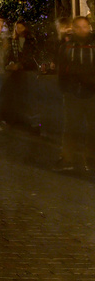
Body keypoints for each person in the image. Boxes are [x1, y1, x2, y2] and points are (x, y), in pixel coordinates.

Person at [58, 15, 95, 170]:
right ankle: (68, 159)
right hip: (73, 92)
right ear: (73, 28)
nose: (82, 29)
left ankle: (91, 159)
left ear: (89, 28)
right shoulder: (66, 47)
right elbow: (62, 69)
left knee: (93, 128)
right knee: (71, 128)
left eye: (84, 26)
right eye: (78, 27)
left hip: (92, 92)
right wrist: (65, 88)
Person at [3, 20, 39, 127]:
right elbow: (10, 55)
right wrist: (11, 63)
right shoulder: (13, 40)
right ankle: (18, 120)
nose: (19, 30)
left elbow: (31, 55)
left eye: (21, 28)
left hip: (27, 69)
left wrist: (21, 64)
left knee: (28, 95)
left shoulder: (31, 40)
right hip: (17, 70)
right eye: (17, 28)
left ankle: (31, 121)